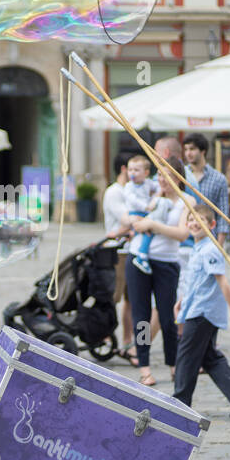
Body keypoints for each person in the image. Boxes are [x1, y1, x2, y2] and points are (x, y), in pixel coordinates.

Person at [173, 204, 230, 417]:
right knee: (209, 357)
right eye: (191, 219)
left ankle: (180, 401)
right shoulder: (197, 247)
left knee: (186, 355)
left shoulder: (210, 250)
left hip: (203, 312)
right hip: (196, 307)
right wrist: (182, 300)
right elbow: (197, 281)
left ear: (211, 225)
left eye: (199, 220)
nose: (193, 223)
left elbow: (223, 283)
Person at [127, 167, 190, 387]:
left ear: (178, 177)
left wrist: (154, 225)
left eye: (168, 175)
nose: (163, 180)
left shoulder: (186, 201)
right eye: (160, 175)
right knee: (142, 318)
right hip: (138, 260)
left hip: (167, 263)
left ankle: (173, 365)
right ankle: (144, 367)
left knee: (167, 316)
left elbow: (183, 234)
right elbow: (134, 217)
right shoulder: (153, 197)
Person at [103, 152, 138, 365]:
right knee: (114, 298)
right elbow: (126, 220)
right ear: (124, 169)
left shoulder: (133, 191)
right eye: (133, 169)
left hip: (133, 251)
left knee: (132, 301)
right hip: (117, 252)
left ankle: (128, 342)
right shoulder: (114, 192)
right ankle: (106, 336)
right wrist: (141, 220)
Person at [180, 133, 230, 244]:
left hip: (209, 239)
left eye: (192, 149)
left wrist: (219, 245)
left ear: (203, 151)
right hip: (184, 239)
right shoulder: (180, 175)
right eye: (186, 149)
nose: (188, 153)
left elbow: (223, 215)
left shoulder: (218, 178)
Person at [124, 155, 162, 274]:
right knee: (148, 232)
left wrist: (155, 197)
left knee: (147, 231)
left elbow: (158, 188)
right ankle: (142, 255)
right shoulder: (129, 186)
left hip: (146, 212)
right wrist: (147, 206)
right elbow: (132, 199)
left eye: (136, 170)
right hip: (135, 212)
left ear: (146, 173)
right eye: (130, 170)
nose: (132, 173)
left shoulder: (148, 183)